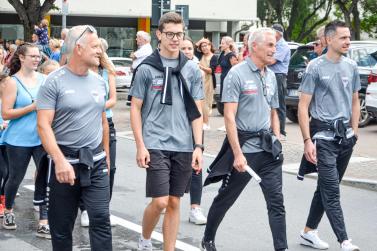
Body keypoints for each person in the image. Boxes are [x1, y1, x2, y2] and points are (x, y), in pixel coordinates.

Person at [201, 28, 287, 251]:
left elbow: (273, 111)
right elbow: (229, 116)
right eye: (269, 45)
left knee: (276, 202)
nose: (273, 49)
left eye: (275, 45)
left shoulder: (270, 75)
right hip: (244, 152)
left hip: (268, 151)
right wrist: (237, 154)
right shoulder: (237, 74)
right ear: (254, 46)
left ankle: (282, 247)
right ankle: (208, 239)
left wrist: (276, 137)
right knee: (226, 198)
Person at [129, 12, 204, 251]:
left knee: (174, 202)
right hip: (155, 141)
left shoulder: (192, 69)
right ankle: (145, 239)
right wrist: (140, 145)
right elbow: (135, 109)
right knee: (160, 201)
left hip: (183, 144)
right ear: (159, 34)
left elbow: (198, 111)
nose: (175, 39)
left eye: (179, 34)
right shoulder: (146, 68)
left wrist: (199, 146)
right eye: (170, 34)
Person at [36, 25, 112, 251]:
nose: (100, 51)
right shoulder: (54, 81)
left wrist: (106, 154)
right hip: (64, 164)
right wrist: (58, 160)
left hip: (95, 162)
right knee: (61, 227)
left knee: (100, 219)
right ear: (79, 48)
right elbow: (43, 125)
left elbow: (102, 120)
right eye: (95, 46)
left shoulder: (99, 81)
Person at [297, 20, 360, 251]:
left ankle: (308, 232)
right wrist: (306, 140)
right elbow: (303, 106)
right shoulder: (315, 67)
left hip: (345, 138)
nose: (347, 41)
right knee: (331, 191)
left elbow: (355, 100)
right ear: (329, 39)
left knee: (324, 187)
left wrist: (354, 131)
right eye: (343, 37)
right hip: (322, 137)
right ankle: (344, 240)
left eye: (349, 37)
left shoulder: (351, 66)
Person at [1, 43, 50, 238]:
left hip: (42, 137)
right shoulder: (11, 82)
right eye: (33, 56)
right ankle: (9, 210)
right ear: (21, 58)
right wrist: (32, 107)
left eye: (39, 56)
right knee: (15, 178)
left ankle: (44, 221)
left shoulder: (45, 79)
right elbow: (6, 113)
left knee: (45, 179)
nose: (37, 59)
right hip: (18, 139)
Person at [80, 38, 117, 228]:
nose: (98, 52)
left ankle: (103, 209)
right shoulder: (81, 73)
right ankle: (85, 209)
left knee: (109, 168)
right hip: (86, 123)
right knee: (86, 166)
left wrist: (97, 107)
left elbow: (113, 99)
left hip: (106, 122)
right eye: (94, 48)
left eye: (100, 49)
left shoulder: (106, 72)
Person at [179, 37, 207, 225]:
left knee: (196, 166)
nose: (188, 51)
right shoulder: (168, 69)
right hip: (172, 127)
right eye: (184, 48)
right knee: (174, 167)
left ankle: (195, 208)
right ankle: (167, 201)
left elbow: (200, 102)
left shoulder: (197, 72)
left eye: (190, 48)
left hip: (193, 124)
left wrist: (202, 123)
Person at [269, 24, 291, 138]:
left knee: (279, 104)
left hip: (278, 76)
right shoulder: (274, 44)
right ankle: (272, 129)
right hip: (271, 75)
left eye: (273, 31)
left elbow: (272, 61)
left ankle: (281, 131)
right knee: (271, 103)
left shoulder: (283, 46)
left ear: (278, 33)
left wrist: (260, 60)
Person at [0, 73, 9, 218]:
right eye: (6, 83)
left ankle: (3, 197)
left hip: (10, 141)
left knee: (10, 173)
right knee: (2, 171)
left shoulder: (11, 99)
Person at [218, 36, 238, 100]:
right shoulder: (222, 53)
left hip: (229, 78)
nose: (221, 45)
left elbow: (235, 69)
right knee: (222, 97)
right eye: (221, 43)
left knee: (227, 97)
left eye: (223, 43)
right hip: (223, 77)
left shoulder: (231, 55)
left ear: (228, 45)